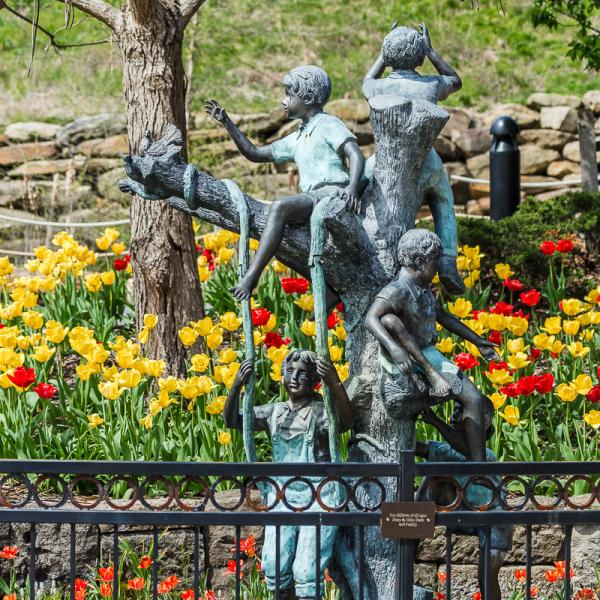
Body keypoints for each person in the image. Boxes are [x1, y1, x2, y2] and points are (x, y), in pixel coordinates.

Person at [205, 65, 365, 303]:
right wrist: (227, 123)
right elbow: (254, 153)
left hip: (331, 193)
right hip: (313, 198)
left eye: (289, 95)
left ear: (308, 98)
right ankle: (329, 290)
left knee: (280, 206)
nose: (283, 101)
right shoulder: (299, 136)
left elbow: (355, 154)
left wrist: (352, 186)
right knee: (283, 246)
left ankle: (251, 278)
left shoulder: (328, 124)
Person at [223, 349, 354, 600]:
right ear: (282, 376)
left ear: (314, 380)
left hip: (319, 496)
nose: (294, 377)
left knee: (306, 571)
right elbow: (234, 421)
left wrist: (335, 383)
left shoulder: (319, 411)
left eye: (303, 373)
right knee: (273, 565)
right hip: (282, 496)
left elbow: (344, 423)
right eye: (290, 372)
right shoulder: (275, 412)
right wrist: (237, 386)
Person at [365, 229, 498, 462]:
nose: (437, 269)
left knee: (474, 399)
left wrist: (476, 340)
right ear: (419, 261)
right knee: (389, 319)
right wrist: (394, 349)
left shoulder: (424, 290)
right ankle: (433, 377)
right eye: (435, 263)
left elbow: (443, 317)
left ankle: (479, 466)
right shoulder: (397, 290)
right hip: (411, 357)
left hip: (431, 354)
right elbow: (371, 318)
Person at [363, 22, 464, 295]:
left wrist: (381, 56)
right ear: (419, 56)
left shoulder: (378, 88)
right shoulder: (431, 85)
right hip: (426, 160)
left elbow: (365, 82)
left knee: (360, 185)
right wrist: (432, 52)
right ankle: (448, 261)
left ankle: (357, 240)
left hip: (384, 161)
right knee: (443, 199)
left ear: (387, 56)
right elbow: (455, 81)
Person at [416, 403, 513, 600]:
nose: (455, 414)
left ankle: (413, 529)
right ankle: (414, 529)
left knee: (487, 576)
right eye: (455, 408)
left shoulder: (485, 455)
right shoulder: (445, 451)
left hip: (493, 519)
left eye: (462, 411)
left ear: (482, 423)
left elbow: (461, 451)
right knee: (433, 479)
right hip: (462, 508)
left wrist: (434, 420)